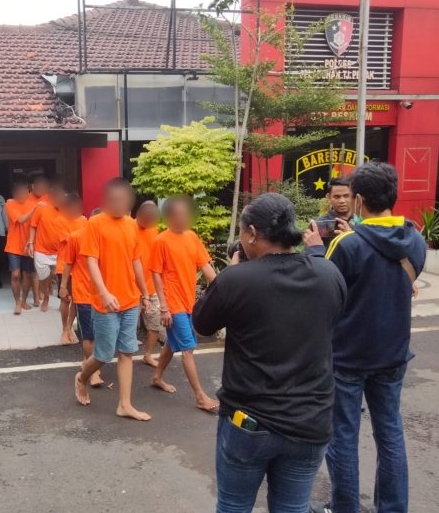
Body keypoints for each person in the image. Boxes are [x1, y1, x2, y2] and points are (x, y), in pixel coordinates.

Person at [192, 193, 346, 513]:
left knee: (234, 505)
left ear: (251, 233)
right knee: (293, 507)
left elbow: (202, 325)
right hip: (311, 421)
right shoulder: (328, 274)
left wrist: (228, 275)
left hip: (250, 421)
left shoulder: (237, 280)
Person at [305, 163, 425, 513]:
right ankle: (393, 507)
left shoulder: (347, 244)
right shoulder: (414, 239)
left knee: (343, 435)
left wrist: (314, 250)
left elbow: (321, 291)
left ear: (358, 200)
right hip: (393, 355)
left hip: (347, 357)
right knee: (390, 434)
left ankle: (344, 507)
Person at [75, 178, 152, 421]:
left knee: (127, 352)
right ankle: (81, 377)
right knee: (103, 354)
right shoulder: (95, 224)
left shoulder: (131, 226)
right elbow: (91, 261)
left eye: (124, 200)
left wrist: (145, 294)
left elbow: (136, 261)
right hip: (105, 303)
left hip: (129, 300)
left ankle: (125, 405)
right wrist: (105, 292)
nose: (119, 204)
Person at [149, 196, 219, 413]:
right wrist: (164, 306)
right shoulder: (161, 241)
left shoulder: (191, 237)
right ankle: (200, 396)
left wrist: (223, 287)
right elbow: (156, 274)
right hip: (173, 303)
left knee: (172, 342)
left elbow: (205, 266)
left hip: (188, 302)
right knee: (187, 348)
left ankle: (157, 376)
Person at [59, 224, 104, 388]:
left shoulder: (109, 237)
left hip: (105, 295)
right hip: (84, 294)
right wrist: (63, 287)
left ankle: (89, 361)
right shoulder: (76, 237)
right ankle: (93, 372)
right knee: (89, 335)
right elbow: (68, 263)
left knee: (101, 333)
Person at [55, 193, 88, 345]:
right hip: (64, 266)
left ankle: (69, 328)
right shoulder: (60, 220)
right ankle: (64, 330)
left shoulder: (84, 220)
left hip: (80, 267)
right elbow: (70, 241)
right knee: (64, 299)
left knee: (76, 300)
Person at [28, 183, 65, 312]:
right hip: (42, 251)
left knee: (62, 278)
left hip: (61, 251)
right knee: (44, 278)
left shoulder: (67, 210)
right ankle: (46, 299)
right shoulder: (42, 209)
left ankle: (63, 302)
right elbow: (33, 226)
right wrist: (30, 243)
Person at [5, 177, 39, 314]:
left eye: (24, 192)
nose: (21, 195)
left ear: (28, 191)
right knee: (15, 274)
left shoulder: (33, 204)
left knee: (28, 274)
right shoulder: (10, 203)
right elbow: (20, 219)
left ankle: (24, 300)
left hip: (28, 246)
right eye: (18, 192)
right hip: (13, 246)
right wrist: (35, 209)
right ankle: (17, 302)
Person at [134, 200, 163, 367]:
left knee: (155, 323)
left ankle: (148, 354)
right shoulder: (128, 227)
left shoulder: (154, 230)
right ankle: (124, 357)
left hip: (151, 287)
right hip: (130, 287)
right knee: (127, 325)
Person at [315, 177, 355, 248]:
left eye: (346, 196)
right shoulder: (319, 224)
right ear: (328, 197)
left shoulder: (362, 221)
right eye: (337, 197)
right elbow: (312, 253)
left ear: (353, 196)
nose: (342, 201)